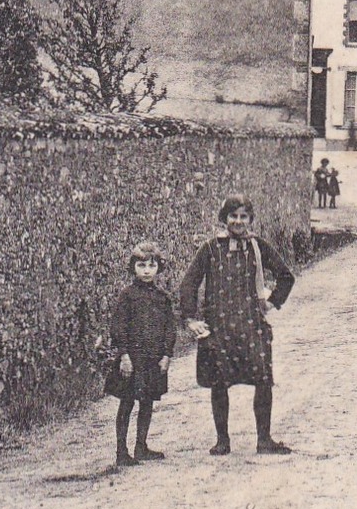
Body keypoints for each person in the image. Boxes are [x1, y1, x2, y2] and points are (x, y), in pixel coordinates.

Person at [180, 195, 296, 456]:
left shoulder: (258, 246)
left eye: (244, 216)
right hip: (219, 327)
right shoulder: (210, 249)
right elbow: (189, 283)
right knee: (219, 382)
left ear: (250, 219)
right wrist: (191, 319)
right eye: (233, 216)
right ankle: (222, 441)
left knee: (263, 380)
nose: (238, 221)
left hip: (252, 326)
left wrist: (271, 302)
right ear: (224, 219)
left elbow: (286, 276)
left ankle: (264, 440)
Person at [105, 241, 175, 466]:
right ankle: (121, 451)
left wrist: (166, 355)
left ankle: (141, 446)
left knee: (147, 402)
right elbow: (118, 327)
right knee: (127, 402)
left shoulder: (163, 298)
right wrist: (124, 356)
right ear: (133, 267)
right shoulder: (127, 296)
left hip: (152, 360)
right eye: (141, 265)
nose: (146, 271)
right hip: (132, 360)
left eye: (151, 266)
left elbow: (169, 328)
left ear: (158, 268)